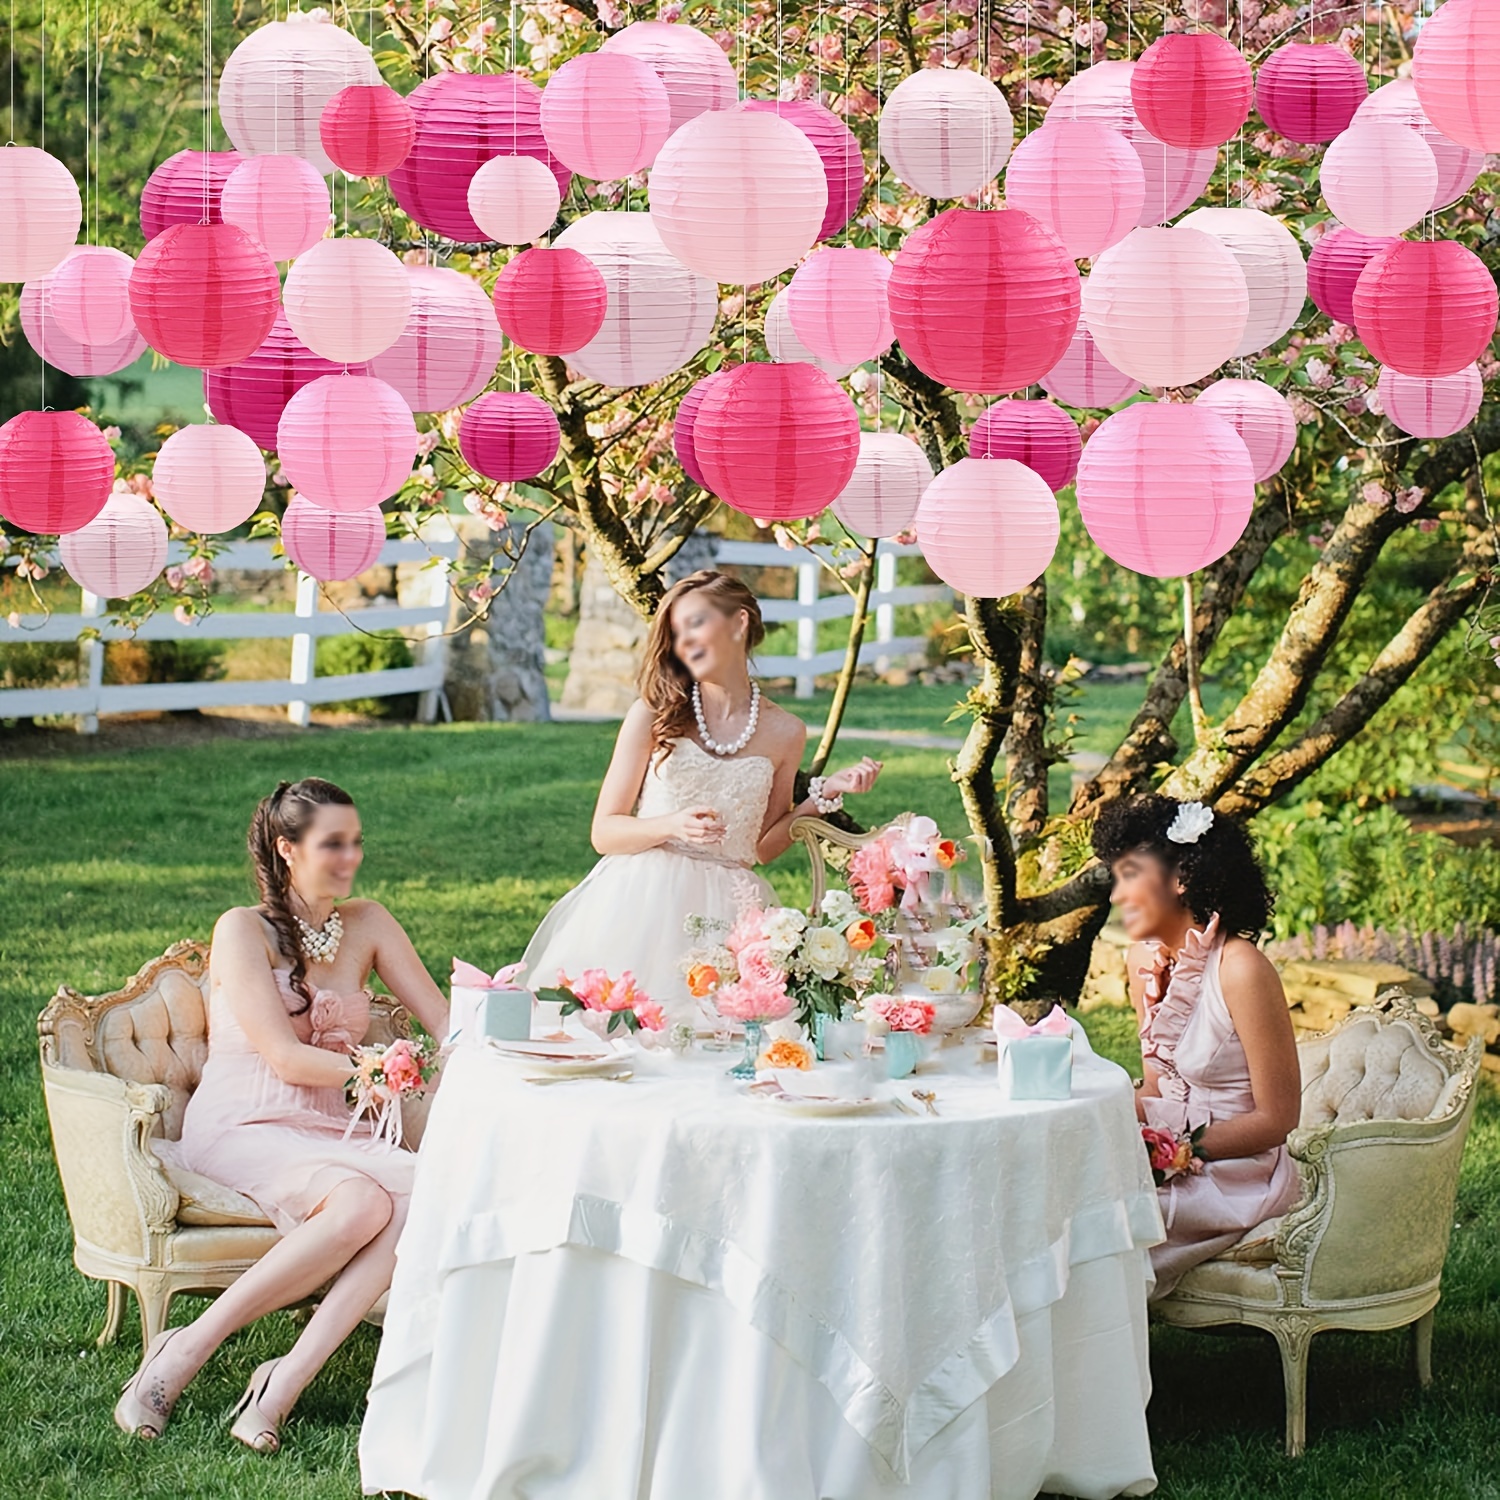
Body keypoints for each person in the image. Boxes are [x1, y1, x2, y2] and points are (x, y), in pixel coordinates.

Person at [114, 778, 449, 1452]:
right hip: (245, 1122)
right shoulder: (242, 929)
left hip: (330, 1129)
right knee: (361, 1205)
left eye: (355, 842)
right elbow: (286, 1058)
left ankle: (285, 1377)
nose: (350, 857)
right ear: (287, 849)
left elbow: (447, 1024)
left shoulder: (370, 923)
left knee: (419, 1198)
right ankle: (185, 1349)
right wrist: (377, 1069)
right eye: (333, 844)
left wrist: (508, 1026)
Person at [521, 569, 883, 1026]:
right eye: (675, 631)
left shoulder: (785, 731)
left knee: (723, 1037)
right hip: (642, 901)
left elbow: (761, 847)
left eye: (696, 623)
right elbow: (604, 831)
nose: (683, 640)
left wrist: (823, 796)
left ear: (740, 623)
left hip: (732, 908)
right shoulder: (653, 714)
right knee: (622, 1035)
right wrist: (669, 825)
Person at [1092, 793, 1302, 1298]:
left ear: (1180, 879)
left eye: (1129, 876)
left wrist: (1176, 1154)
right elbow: (1159, 1085)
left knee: (1091, 1228)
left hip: (1236, 1175)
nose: (1117, 895)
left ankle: (1100, 1369)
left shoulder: (1242, 968)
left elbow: (1279, 1118)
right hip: (1166, 1154)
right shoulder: (1142, 961)